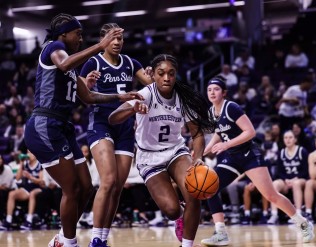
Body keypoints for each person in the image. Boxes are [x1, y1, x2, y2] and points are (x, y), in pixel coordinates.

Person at [23, 13, 143, 247]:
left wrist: (119, 96)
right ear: (63, 34)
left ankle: (61, 237)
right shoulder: (53, 47)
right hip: (44, 125)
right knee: (72, 188)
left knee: (87, 188)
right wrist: (100, 45)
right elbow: (65, 62)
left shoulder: (70, 65)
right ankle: (69, 243)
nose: (80, 39)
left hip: (62, 126)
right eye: (77, 34)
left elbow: (88, 97)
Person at [108, 54, 215, 247]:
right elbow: (113, 118)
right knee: (171, 210)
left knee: (195, 191)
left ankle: (187, 245)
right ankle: (180, 216)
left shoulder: (183, 98)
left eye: (171, 74)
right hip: (149, 157)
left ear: (175, 76)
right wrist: (132, 109)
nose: (167, 78)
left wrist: (198, 157)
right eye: (161, 73)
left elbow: (197, 133)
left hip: (175, 151)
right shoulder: (146, 94)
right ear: (154, 75)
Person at [200, 77, 314, 246]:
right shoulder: (211, 112)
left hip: (249, 155)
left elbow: (250, 131)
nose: (212, 92)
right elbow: (218, 133)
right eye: (209, 90)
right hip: (232, 157)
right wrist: (204, 151)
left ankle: (303, 223)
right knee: (210, 187)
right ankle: (221, 233)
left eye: (216, 89)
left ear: (223, 93)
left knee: (271, 195)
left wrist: (226, 144)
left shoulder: (231, 107)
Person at [79, 22, 152, 247]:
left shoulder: (130, 63)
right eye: (113, 38)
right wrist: (88, 83)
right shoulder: (92, 62)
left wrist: (152, 76)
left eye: (121, 39)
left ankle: (103, 237)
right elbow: (82, 95)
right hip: (100, 124)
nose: (118, 42)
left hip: (123, 126)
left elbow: (153, 85)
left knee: (118, 187)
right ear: (104, 40)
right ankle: (95, 240)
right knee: (108, 181)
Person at [267, 130, 309, 224]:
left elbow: (306, 171)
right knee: (274, 184)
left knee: (296, 183)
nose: (288, 140)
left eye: (290, 137)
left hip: (300, 179)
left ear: (295, 139)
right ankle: (274, 214)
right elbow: (279, 171)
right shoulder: (281, 152)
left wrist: (295, 178)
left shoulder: (302, 151)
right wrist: (286, 180)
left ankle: (298, 215)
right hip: (286, 180)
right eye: (285, 138)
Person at [0, 150, 44, 230]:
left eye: (30, 152)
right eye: (27, 152)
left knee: (32, 194)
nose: (28, 154)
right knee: (12, 194)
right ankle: (8, 220)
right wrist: (21, 164)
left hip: (38, 188)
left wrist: (30, 177)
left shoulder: (40, 164)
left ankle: (29, 220)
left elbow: (41, 181)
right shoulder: (25, 163)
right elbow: (17, 178)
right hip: (27, 188)